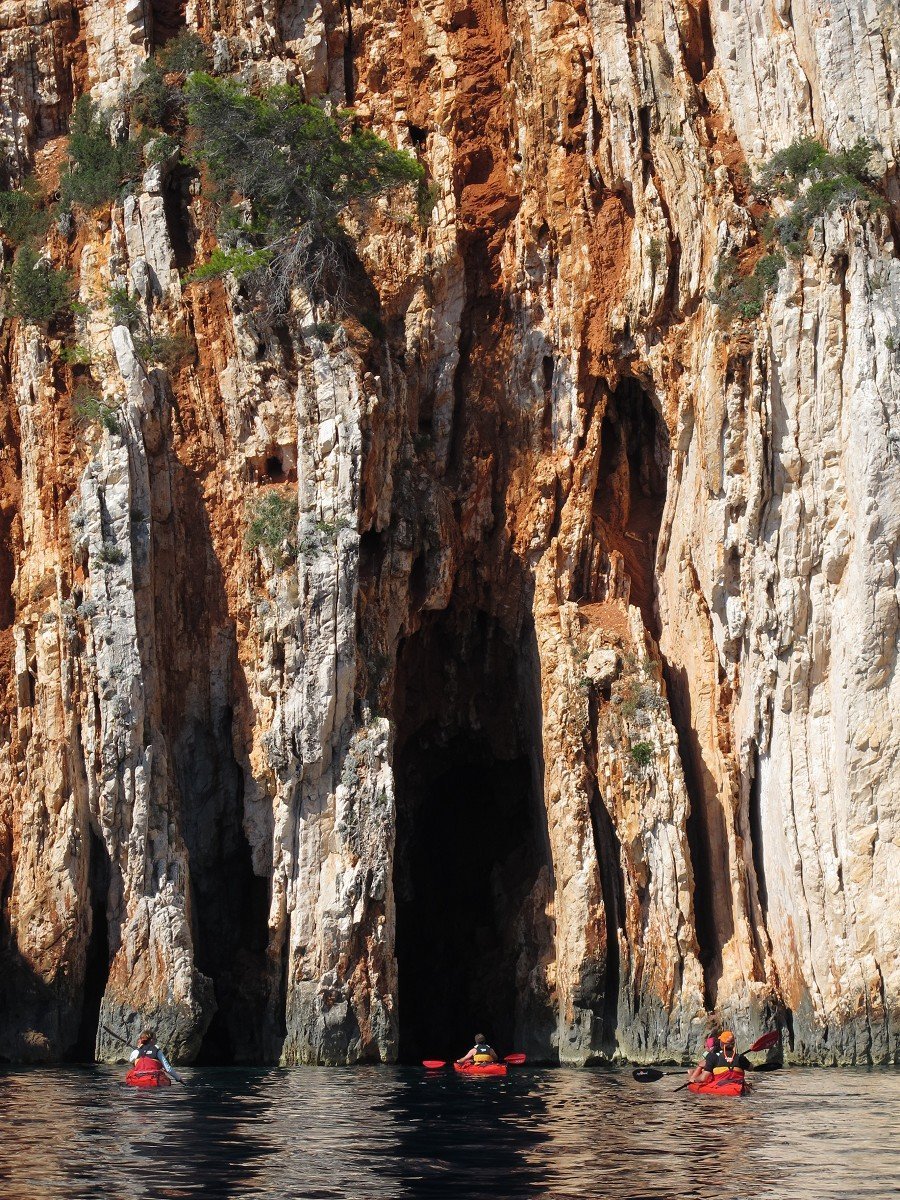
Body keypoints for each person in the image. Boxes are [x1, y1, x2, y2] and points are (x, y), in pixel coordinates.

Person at [687, 1029, 751, 1085]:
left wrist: (694, 1078)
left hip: (721, 1090)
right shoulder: (740, 1058)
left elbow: (703, 1078)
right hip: (738, 1086)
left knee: (692, 1076)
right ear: (734, 1044)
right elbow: (751, 1068)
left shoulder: (712, 1057)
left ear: (721, 1043)